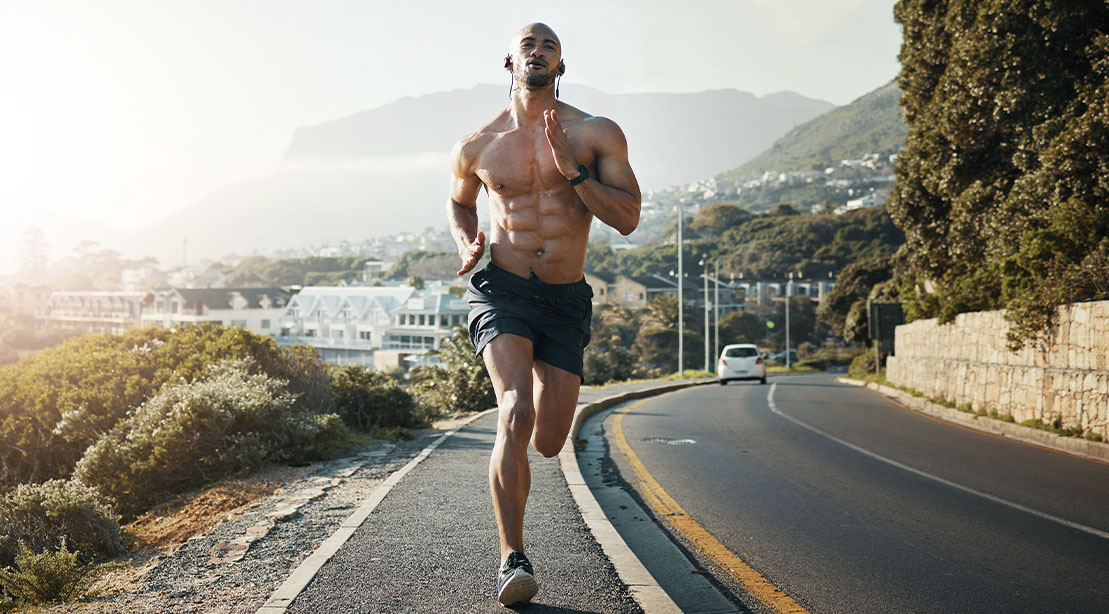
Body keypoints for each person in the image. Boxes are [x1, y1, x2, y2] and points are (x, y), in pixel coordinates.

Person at [446, 22, 641, 607]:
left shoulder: (594, 133)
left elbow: (628, 218)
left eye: (549, 46)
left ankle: (537, 389)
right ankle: (512, 558)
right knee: (514, 409)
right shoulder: (477, 144)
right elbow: (459, 202)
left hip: (563, 299)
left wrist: (573, 171)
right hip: (501, 287)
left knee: (551, 439)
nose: (537, 51)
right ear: (509, 62)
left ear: (561, 64)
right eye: (528, 44)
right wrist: (466, 242)